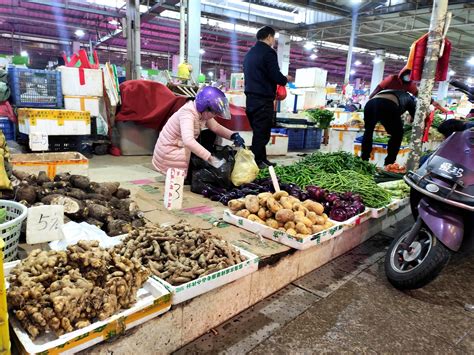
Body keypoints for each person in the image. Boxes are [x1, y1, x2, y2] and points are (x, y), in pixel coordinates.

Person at [152, 86, 245, 174]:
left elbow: (215, 127)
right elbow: (188, 141)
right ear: (205, 107)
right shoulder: (187, 113)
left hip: (179, 147)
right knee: (201, 175)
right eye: (214, 112)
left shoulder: (201, 112)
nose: (215, 115)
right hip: (170, 154)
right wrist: (210, 158)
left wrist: (233, 135)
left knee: (209, 136)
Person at [243, 26, 288, 169]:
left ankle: (262, 159)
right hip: (263, 99)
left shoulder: (250, 53)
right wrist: (285, 79)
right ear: (269, 36)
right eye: (273, 37)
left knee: (258, 132)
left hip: (250, 99)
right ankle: (255, 163)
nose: (273, 40)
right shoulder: (268, 52)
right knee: (262, 134)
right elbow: (275, 75)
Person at [361, 90, 416, 166]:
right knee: (398, 134)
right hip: (388, 105)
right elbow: (416, 118)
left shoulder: (394, 92)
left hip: (370, 104)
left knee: (368, 131)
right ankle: (389, 163)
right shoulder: (410, 99)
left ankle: (364, 159)